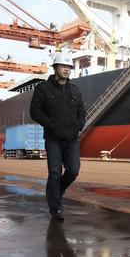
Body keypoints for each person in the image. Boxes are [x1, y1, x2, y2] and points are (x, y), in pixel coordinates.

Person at [30, 52, 85, 220]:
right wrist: (51, 124)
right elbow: (35, 111)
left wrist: (79, 126)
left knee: (73, 170)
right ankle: (55, 208)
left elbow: (81, 111)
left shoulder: (75, 91)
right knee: (54, 172)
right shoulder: (43, 89)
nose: (67, 70)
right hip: (53, 138)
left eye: (69, 67)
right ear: (55, 68)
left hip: (71, 139)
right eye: (64, 66)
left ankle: (57, 191)